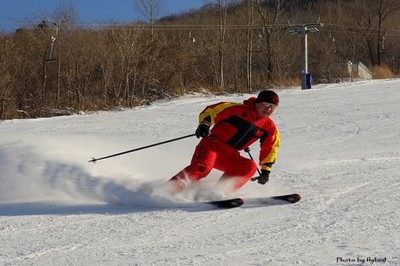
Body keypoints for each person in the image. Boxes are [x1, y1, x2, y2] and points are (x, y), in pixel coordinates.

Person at [168, 90, 280, 193]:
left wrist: (266, 171)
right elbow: (212, 111)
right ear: (257, 102)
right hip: (212, 146)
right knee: (202, 168)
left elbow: (271, 147)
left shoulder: (269, 127)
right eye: (266, 104)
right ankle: (168, 190)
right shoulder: (237, 109)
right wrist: (204, 125)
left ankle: (218, 193)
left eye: (273, 107)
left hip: (230, 154)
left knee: (248, 166)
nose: (269, 109)